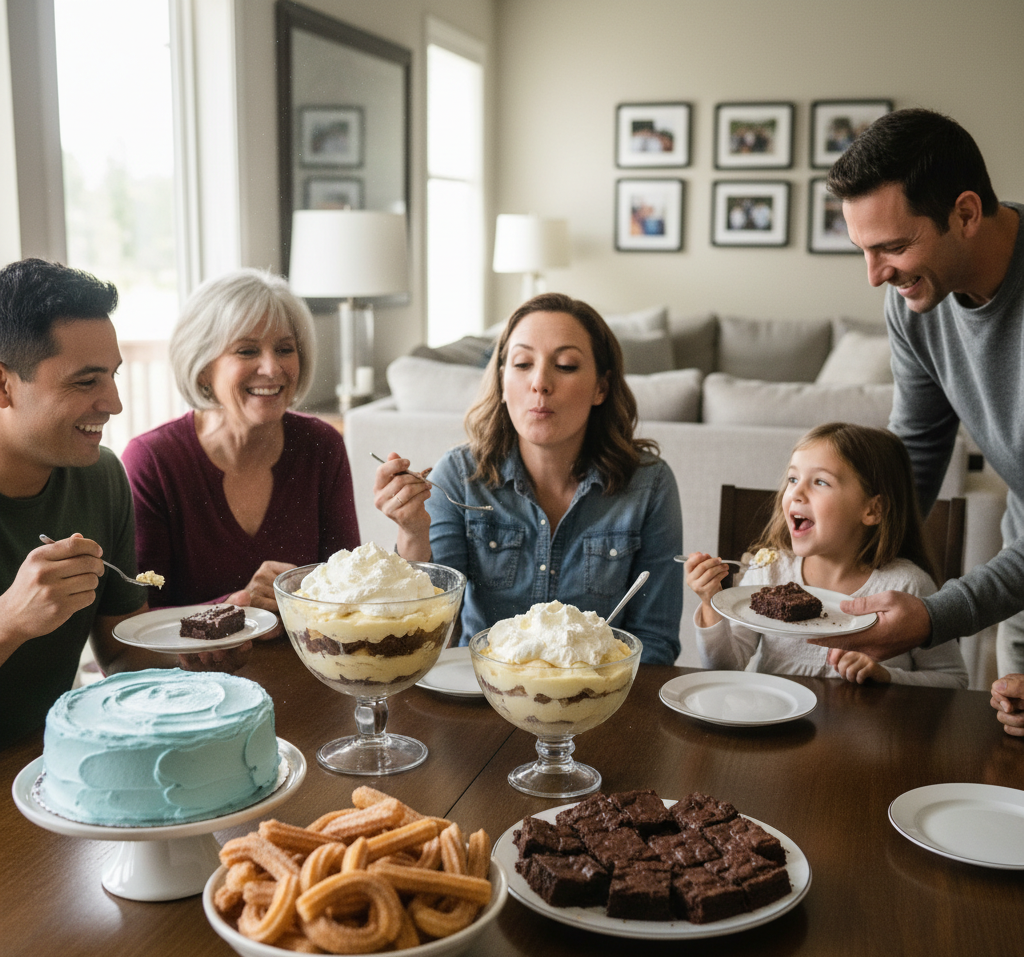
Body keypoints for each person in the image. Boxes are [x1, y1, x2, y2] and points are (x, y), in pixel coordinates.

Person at [0, 258, 247, 749]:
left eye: (112, 376)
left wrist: (196, 652)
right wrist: (10, 621)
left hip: (51, 758)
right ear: (4, 386)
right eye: (86, 381)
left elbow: (120, 654)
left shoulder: (101, 477)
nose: (114, 403)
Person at [822, 108, 1024, 687]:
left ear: (966, 214)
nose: (875, 275)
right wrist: (840, 550)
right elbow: (915, 450)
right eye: (863, 249)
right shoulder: (915, 307)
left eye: (892, 247)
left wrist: (936, 616)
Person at [373, 292, 683, 664]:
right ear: (502, 380)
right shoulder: (458, 476)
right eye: (522, 363)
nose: (540, 383)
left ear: (601, 387)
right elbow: (425, 634)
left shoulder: (649, 485)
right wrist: (412, 534)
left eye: (566, 365)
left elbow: (655, 643)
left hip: (596, 692)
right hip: (481, 690)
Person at [122, 269, 359, 614]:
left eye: (285, 349)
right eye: (247, 351)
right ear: (204, 367)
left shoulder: (322, 445)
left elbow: (350, 589)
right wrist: (236, 607)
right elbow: (139, 623)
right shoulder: (153, 461)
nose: (272, 368)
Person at [685, 423, 967, 688]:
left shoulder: (906, 587)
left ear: (872, 510)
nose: (796, 492)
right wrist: (710, 601)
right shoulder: (769, 572)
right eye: (793, 478)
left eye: (820, 482)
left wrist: (887, 675)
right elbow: (725, 666)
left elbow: (954, 680)